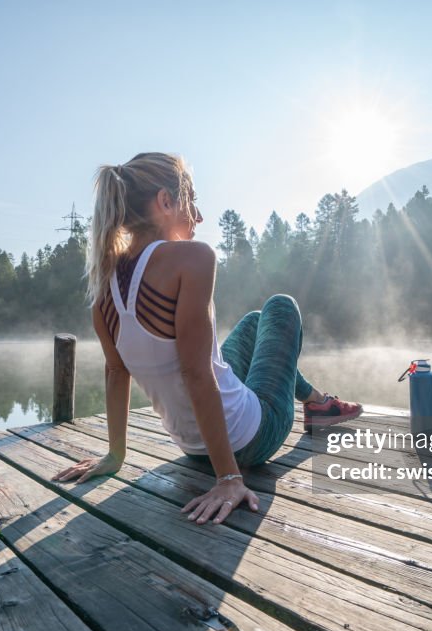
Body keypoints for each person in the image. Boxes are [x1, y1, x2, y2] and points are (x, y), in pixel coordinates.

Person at [53, 152, 362, 525]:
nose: (198, 216)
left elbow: (116, 374)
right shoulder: (193, 258)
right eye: (191, 200)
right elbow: (196, 373)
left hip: (193, 449)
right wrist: (229, 479)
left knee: (251, 323)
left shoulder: (104, 289)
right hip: (252, 438)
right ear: (165, 202)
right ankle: (319, 405)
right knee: (280, 308)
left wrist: (115, 455)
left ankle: (318, 401)